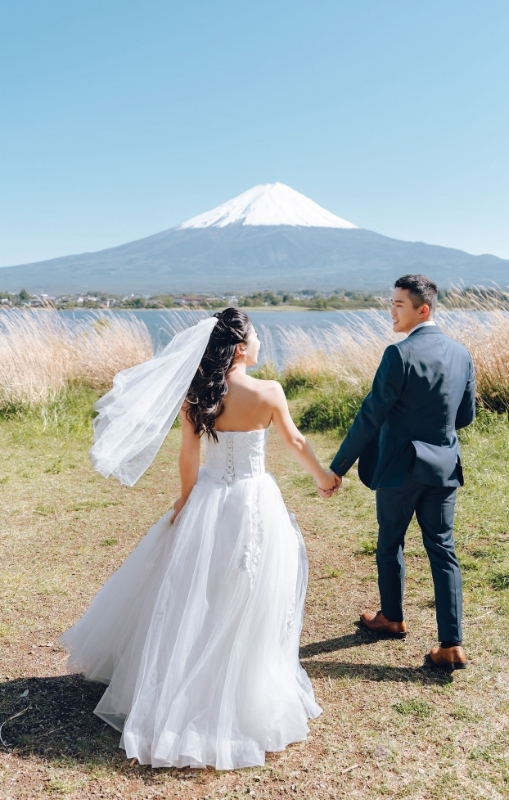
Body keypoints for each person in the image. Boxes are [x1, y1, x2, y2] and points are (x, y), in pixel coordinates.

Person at [59, 308, 336, 769]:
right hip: (254, 500)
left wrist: (186, 502)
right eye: (256, 333)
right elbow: (296, 442)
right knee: (250, 591)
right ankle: (243, 686)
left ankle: (188, 679)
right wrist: (324, 478)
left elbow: (189, 457)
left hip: (210, 497)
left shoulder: (199, 394)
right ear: (243, 347)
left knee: (197, 592)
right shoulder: (269, 391)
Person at [327, 274, 476, 670]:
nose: (391, 311)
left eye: (398, 305)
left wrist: (338, 466)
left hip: (400, 467)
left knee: (390, 540)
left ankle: (391, 618)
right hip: (444, 465)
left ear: (421, 309)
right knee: (442, 548)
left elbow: (371, 415)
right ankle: (451, 644)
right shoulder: (461, 354)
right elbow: (466, 415)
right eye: (391, 303)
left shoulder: (398, 354)